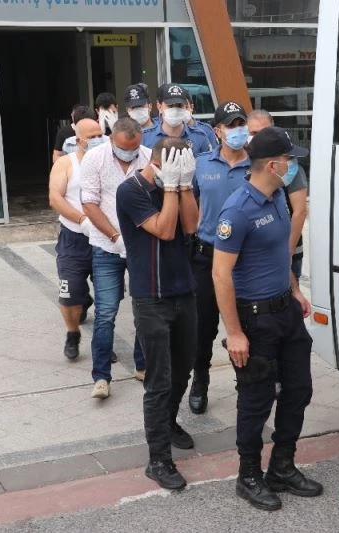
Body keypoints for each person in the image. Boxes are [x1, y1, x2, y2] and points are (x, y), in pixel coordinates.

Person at [213, 126, 323, 511]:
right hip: (255, 321)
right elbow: (220, 274)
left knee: (299, 390)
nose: (293, 166)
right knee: (256, 401)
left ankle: (282, 467)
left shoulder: (277, 198)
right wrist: (234, 332)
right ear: (273, 165)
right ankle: (248, 475)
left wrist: (294, 289)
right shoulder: (238, 210)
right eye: (289, 160)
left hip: (285, 312)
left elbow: (279, 253)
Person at [116, 139, 199, 490]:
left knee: (183, 369)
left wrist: (184, 185)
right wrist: (171, 187)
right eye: (173, 168)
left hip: (184, 291)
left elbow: (191, 225)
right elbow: (165, 229)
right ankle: (159, 459)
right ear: (156, 162)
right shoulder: (131, 191)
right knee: (159, 380)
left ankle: (168, 422)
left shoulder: (182, 182)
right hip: (151, 296)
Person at [187, 101, 251, 415]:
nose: (237, 130)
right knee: (203, 327)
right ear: (218, 131)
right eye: (231, 125)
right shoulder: (201, 164)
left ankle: (246, 382)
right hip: (207, 257)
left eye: (241, 124)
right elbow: (190, 207)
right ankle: (200, 378)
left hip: (246, 261)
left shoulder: (257, 165)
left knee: (246, 325)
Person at [80, 117, 148, 398]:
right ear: (112, 140)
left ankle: (143, 365)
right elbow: (89, 203)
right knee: (106, 312)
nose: (129, 153)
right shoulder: (94, 159)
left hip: (141, 247)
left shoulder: (147, 157)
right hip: (106, 247)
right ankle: (101, 376)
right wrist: (115, 237)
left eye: (134, 148)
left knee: (144, 309)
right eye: (124, 148)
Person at [49, 118, 103, 361]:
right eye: (92, 137)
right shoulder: (66, 163)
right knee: (69, 294)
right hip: (74, 238)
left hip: (104, 238)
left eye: (100, 134)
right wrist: (82, 220)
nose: (98, 140)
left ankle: (103, 340)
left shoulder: (109, 160)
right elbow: (55, 198)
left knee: (107, 297)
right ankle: (73, 333)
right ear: (79, 140)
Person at [246, 110, 308, 281]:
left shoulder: (288, 165)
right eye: (254, 133)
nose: (260, 138)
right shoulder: (244, 162)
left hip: (287, 248)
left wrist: (286, 253)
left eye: (264, 132)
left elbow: (300, 212)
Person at [142, 84, 213, 155]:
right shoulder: (145, 137)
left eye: (179, 105)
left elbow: (208, 161)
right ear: (159, 107)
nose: (175, 110)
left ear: (185, 107)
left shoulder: (199, 137)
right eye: (170, 106)